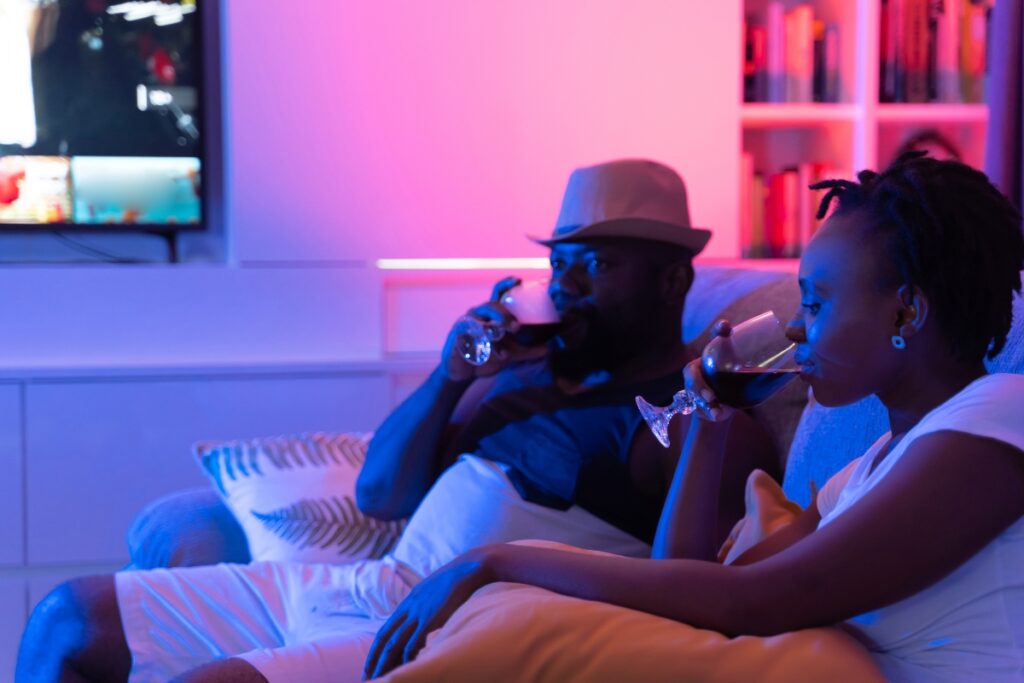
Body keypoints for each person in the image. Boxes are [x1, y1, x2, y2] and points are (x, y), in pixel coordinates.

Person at [16, 159, 778, 683]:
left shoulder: (685, 411)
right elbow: (381, 493)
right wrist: (453, 377)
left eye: (599, 265)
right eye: (562, 262)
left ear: (675, 278)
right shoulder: (519, 375)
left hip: (457, 623)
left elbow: (689, 587)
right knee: (67, 620)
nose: (568, 285)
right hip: (363, 581)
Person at [364, 152, 1024, 683]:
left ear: (906, 313)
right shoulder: (869, 466)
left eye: (817, 303)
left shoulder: (998, 420)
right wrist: (706, 426)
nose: (795, 325)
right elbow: (702, 591)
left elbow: (755, 603)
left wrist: (500, 561)